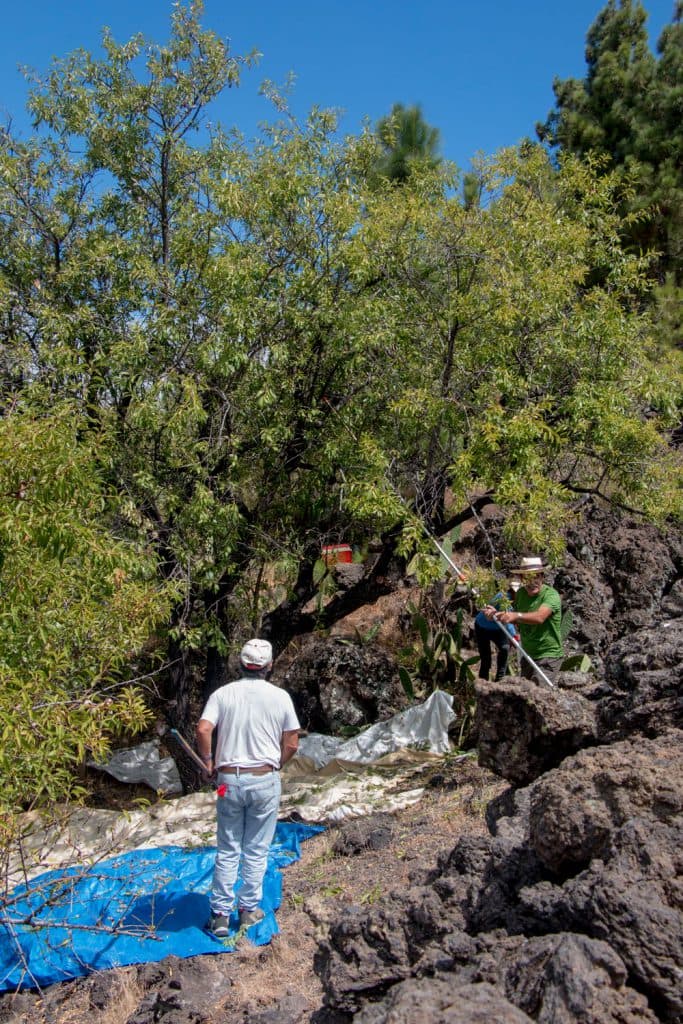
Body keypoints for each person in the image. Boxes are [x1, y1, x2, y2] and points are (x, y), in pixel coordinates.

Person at [196, 638, 300, 937]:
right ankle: (248, 911)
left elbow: (203, 728)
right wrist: (276, 763)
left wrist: (208, 761)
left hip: (228, 783)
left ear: (241, 664)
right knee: (256, 848)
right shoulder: (280, 697)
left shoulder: (223, 694)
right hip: (264, 780)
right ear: (268, 666)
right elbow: (292, 742)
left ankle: (219, 916)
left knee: (228, 848)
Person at [490, 556, 564, 685]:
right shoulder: (521, 594)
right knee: (524, 693)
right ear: (522, 579)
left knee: (538, 694)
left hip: (548, 656)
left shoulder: (551, 595)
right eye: (528, 578)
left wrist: (516, 616)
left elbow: (540, 617)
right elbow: (517, 619)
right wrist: (496, 615)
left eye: (537, 577)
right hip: (528, 654)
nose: (533, 582)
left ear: (542, 577)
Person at [475, 587, 518, 680]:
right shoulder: (503, 598)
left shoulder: (521, 600)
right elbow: (507, 619)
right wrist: (514, 636)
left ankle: (500, 679)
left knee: (504, 649)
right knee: (486, 657)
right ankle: (483, 682)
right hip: (482, 627)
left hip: (499, 629)